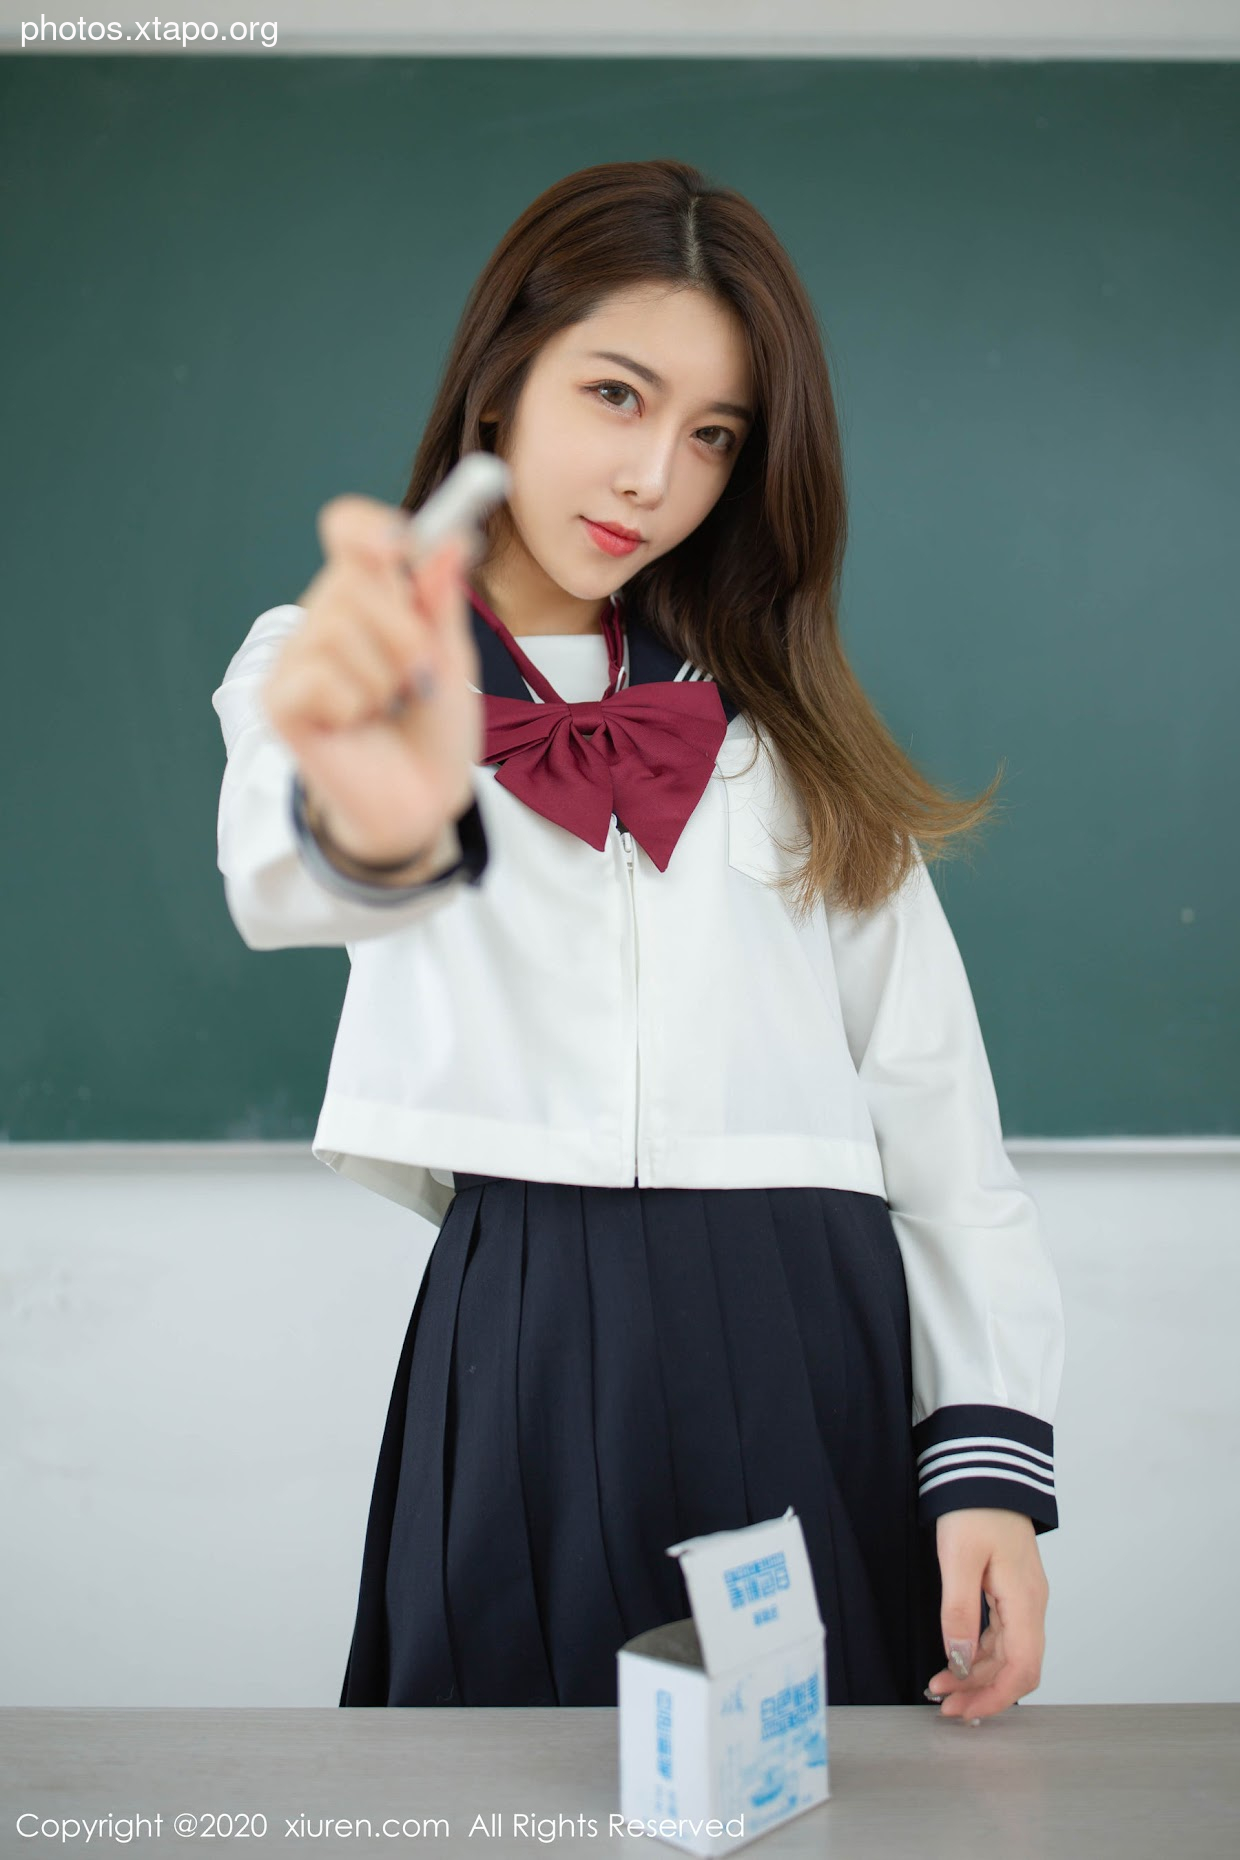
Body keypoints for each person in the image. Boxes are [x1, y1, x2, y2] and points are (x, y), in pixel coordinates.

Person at [210, 159, 1064, 1723]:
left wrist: (990, 1464)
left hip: (815, 1324)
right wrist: (389, 813)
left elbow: (940, 1121)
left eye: (714, 434)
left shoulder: (786, 733)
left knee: (818, 1792)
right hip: (525, 1326)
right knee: (489, 1780)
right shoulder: (341, 655)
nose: (656, 472)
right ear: (499, 385)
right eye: (617, 393)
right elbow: (283, 868)